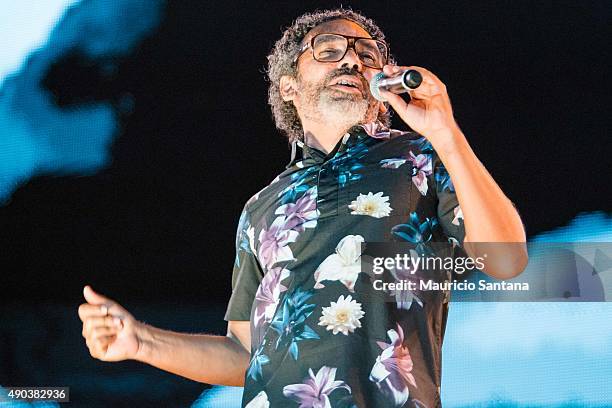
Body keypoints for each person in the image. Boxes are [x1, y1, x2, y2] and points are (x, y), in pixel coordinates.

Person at [79, 9, 527, 407]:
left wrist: (445, 132)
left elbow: (506, 259)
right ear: (289, 86)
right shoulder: (261, 208)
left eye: (367, 55)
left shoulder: (424, 157)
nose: (352, 60)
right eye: (329, 49)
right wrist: (141, 341)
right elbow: (243, 355)